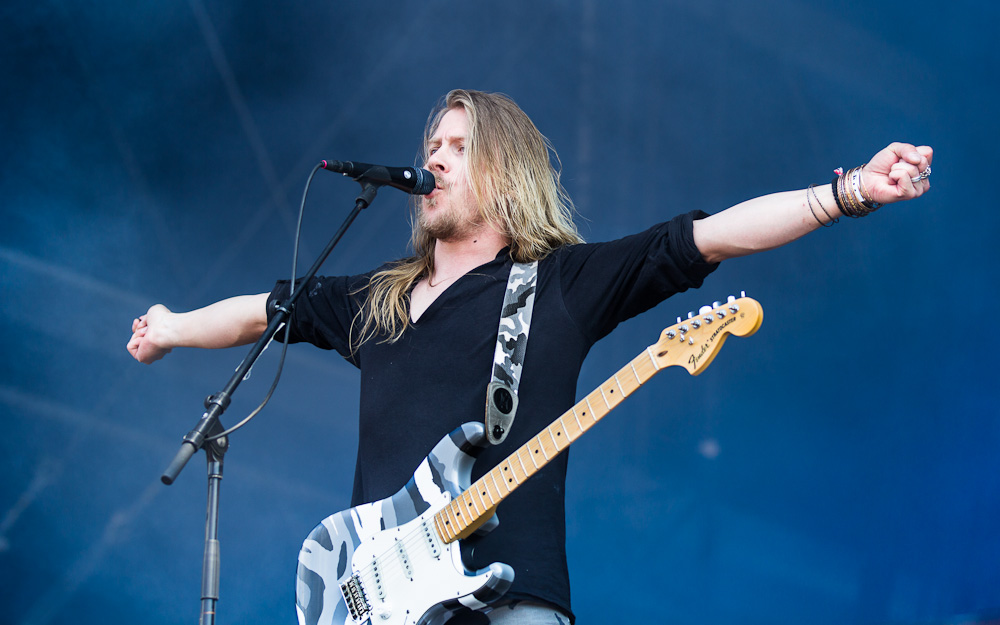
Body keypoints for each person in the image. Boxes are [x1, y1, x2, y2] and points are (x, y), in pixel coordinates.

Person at [127, 89, 933, 624]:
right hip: (380, 600)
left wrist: (850, 191)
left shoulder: (561, 284)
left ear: (504, 173)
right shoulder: (377, 299)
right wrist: (170, 325)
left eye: (456, 146)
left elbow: (712, 233)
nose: (433, 159)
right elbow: (264, 311)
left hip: (512, 598)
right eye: (431, 144)